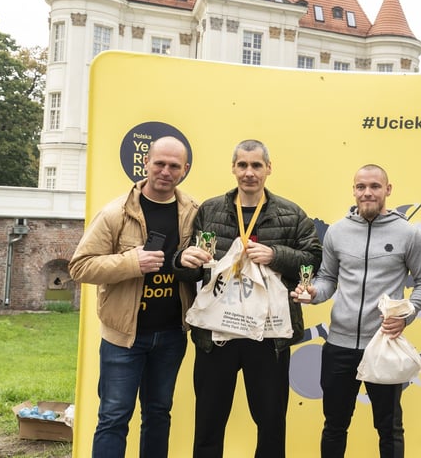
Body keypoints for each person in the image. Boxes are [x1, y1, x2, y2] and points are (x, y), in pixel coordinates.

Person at [177, 139, 322, 458]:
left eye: (256, 165)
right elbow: (193, 268)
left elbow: (313, 260)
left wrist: (276, 255)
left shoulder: (291, 213)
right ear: (233, 168)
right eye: (242, 165)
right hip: (217, 335)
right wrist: (183, 261)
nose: (249, 172)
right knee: (208, 425)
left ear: (268, 168)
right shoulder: (210, 210)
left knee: (271, 425)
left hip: (268, 337)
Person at [69, 136, 198, 458]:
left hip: (171, 334)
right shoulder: (115, 212)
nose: (165, 171)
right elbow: (80, 267)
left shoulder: (194, 212)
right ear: (145, 163)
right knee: (113, 418)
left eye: (173, 166)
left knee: (159, 414)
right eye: (159, 163)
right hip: (123, 337)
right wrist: (131, 263)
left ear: (185, 169)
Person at [292, 164, 421, 458]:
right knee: (334, 426)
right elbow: (327, 279)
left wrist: (407, 315)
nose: (367, 192)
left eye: (375, 186)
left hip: (383, 345)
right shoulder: (337, 232)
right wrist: (314, 293)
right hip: (339, 346)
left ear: (388, 189)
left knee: (389, 429)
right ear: (354, 190)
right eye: (361, 187)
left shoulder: (408, 234)